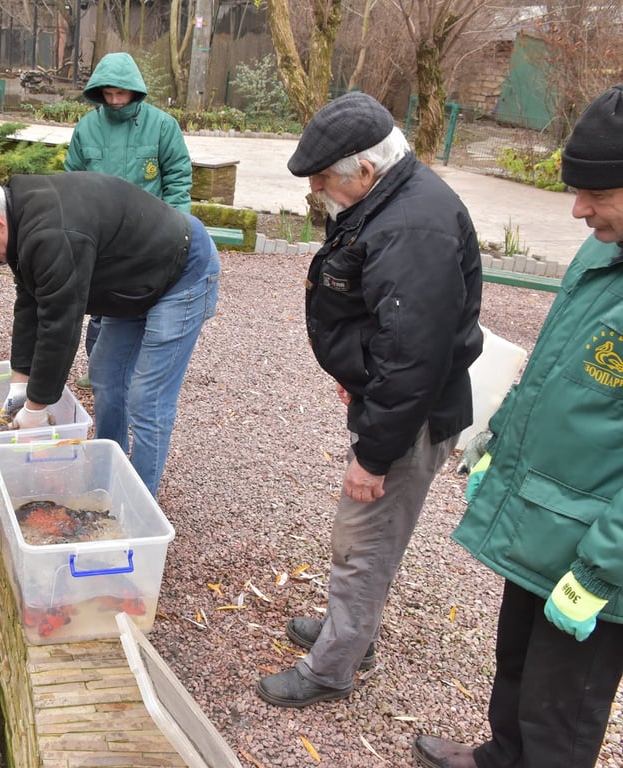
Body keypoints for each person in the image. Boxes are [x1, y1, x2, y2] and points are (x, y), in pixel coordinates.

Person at [413, 84, 623, 768]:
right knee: (518, 668)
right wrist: (499, 441)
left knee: (562, 713)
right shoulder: (602, 254)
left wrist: (602, 568)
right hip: (548, 518)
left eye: (599, 191)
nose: (578, 208)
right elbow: (554, 371)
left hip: (598, 548)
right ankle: (502, 756)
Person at [255, 92, 483, 708]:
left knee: (362, 536)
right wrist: (356, 368)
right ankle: (351, 635)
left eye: (325, 180)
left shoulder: (413, 226)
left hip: (410, 417)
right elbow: (385, 323)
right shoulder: (389, 199)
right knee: (369, 536)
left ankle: (333, 667)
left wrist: (374, 457)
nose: (319, 193)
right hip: (394, 399)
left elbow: (413, 359)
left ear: (365, 168)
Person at [0, 172, 219, 497]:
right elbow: (30, 303)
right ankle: (106, 469)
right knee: (106, 377)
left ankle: (138, 501)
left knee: (147, 399)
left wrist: (36, 408)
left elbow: (60, 326)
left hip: (181, 273)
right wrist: (19, 385)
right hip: (133, 280)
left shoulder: (54, 235)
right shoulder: (22, 217)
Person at [64, 51, 193, 389]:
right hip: (100, 236)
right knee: (99, 304)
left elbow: (178, 179)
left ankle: (137, 373)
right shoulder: (88, 127)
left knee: (142, 303)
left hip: (148, 234)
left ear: (134, 90)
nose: (115, 101)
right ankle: (99, 371)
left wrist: (178, 230)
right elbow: (72, 181)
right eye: (108, 94)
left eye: (120, 93)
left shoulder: (162, 126)